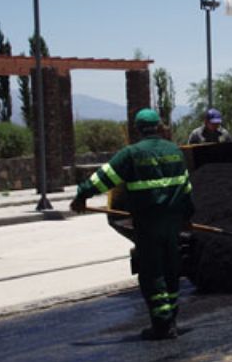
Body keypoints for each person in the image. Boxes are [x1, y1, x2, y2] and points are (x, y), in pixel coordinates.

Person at [70, 108, 194, 340]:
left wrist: (82, 194)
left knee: (152, 272)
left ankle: (162, 325)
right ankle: (172, 320)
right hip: (172, 223)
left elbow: (104, 177)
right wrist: (188, 216)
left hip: (147, 223)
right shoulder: (175, 152)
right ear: (159, 127)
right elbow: (186, 189)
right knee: (171, 269)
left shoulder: (131, 154)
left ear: (137, 130)